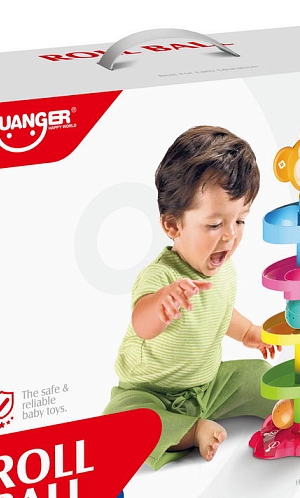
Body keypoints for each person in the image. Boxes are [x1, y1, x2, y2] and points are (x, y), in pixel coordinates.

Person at [103, 126, 280, 470]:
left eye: (240, 221)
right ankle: (191, 431)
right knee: (121, 423)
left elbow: (219, 312)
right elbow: (141, 323)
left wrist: (249, 332)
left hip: (208, 386)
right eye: (215, 225)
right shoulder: (162, 277)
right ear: (173, 226)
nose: (230, 236)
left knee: (258, 374)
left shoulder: (224, 271)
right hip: (149, 394)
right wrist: (162, 305)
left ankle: (293, 402)